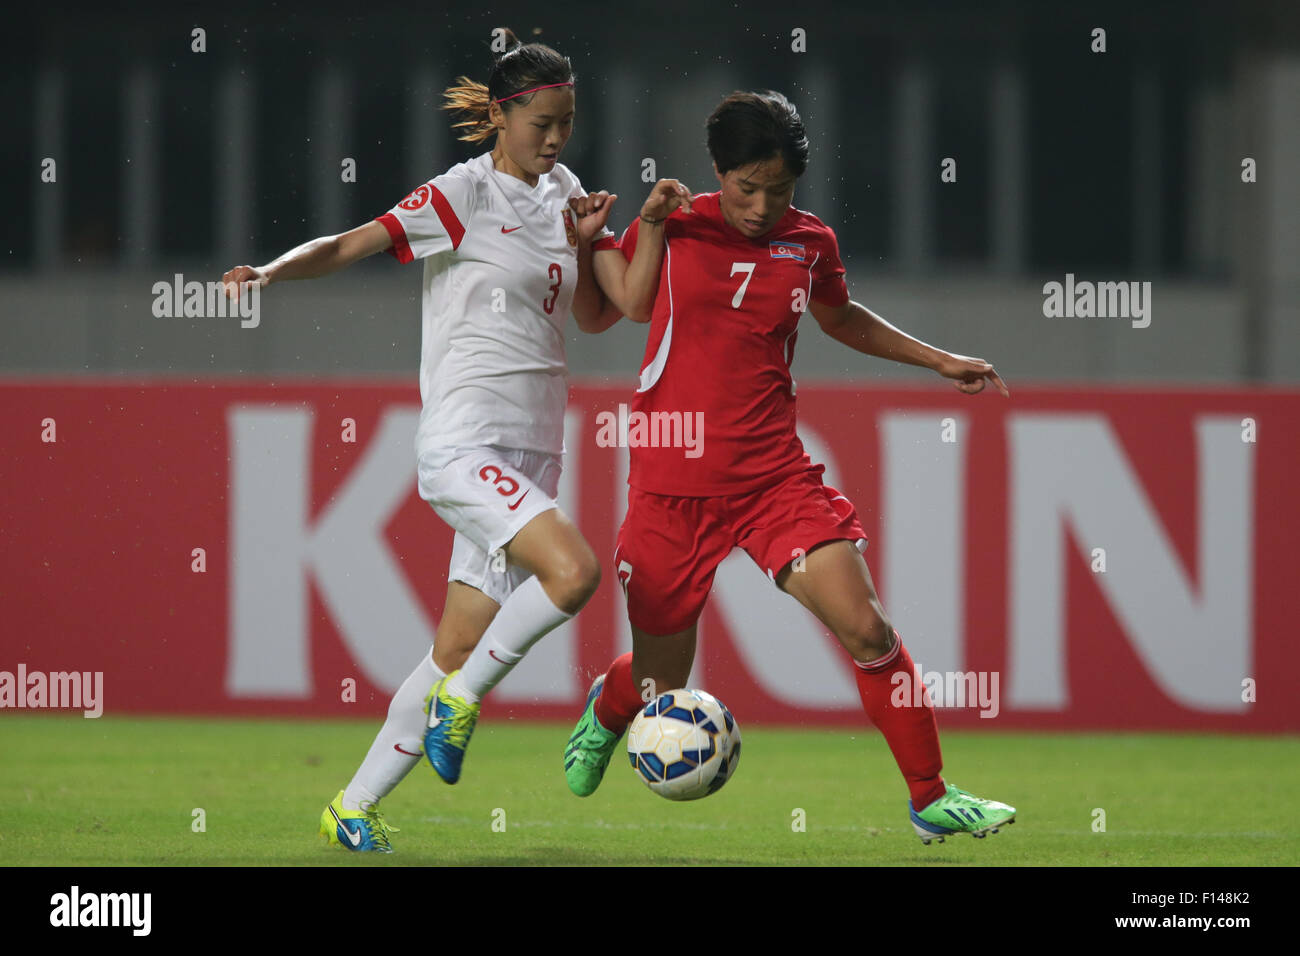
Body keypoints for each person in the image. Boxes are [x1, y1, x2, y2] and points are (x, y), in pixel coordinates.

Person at [567, 89, 1016, 844]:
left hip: (774, 481)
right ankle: (609, 712)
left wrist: (937, 360)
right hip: (671, 487)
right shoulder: (675, 224)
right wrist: (592, 246)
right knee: (660, 685)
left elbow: (841, 316)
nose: (762, 206)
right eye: (747, 188)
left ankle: (930, 798)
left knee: (868, 629)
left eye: (780, 190)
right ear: (719, 171)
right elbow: (602, 312)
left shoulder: (810, 243)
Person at [222, 30, 625, 852]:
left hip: (534, 445)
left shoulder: (565, 193)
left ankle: (355, 804)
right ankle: (463, 702)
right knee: (575, 572)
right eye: (543, 122)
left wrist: (588, 245)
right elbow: (349, 243)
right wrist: (268, 272)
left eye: (567, 123)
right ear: (503, 116)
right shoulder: (463, 195)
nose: (556, 139)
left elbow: (590, 315)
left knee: (457, 642)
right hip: (465, 440)